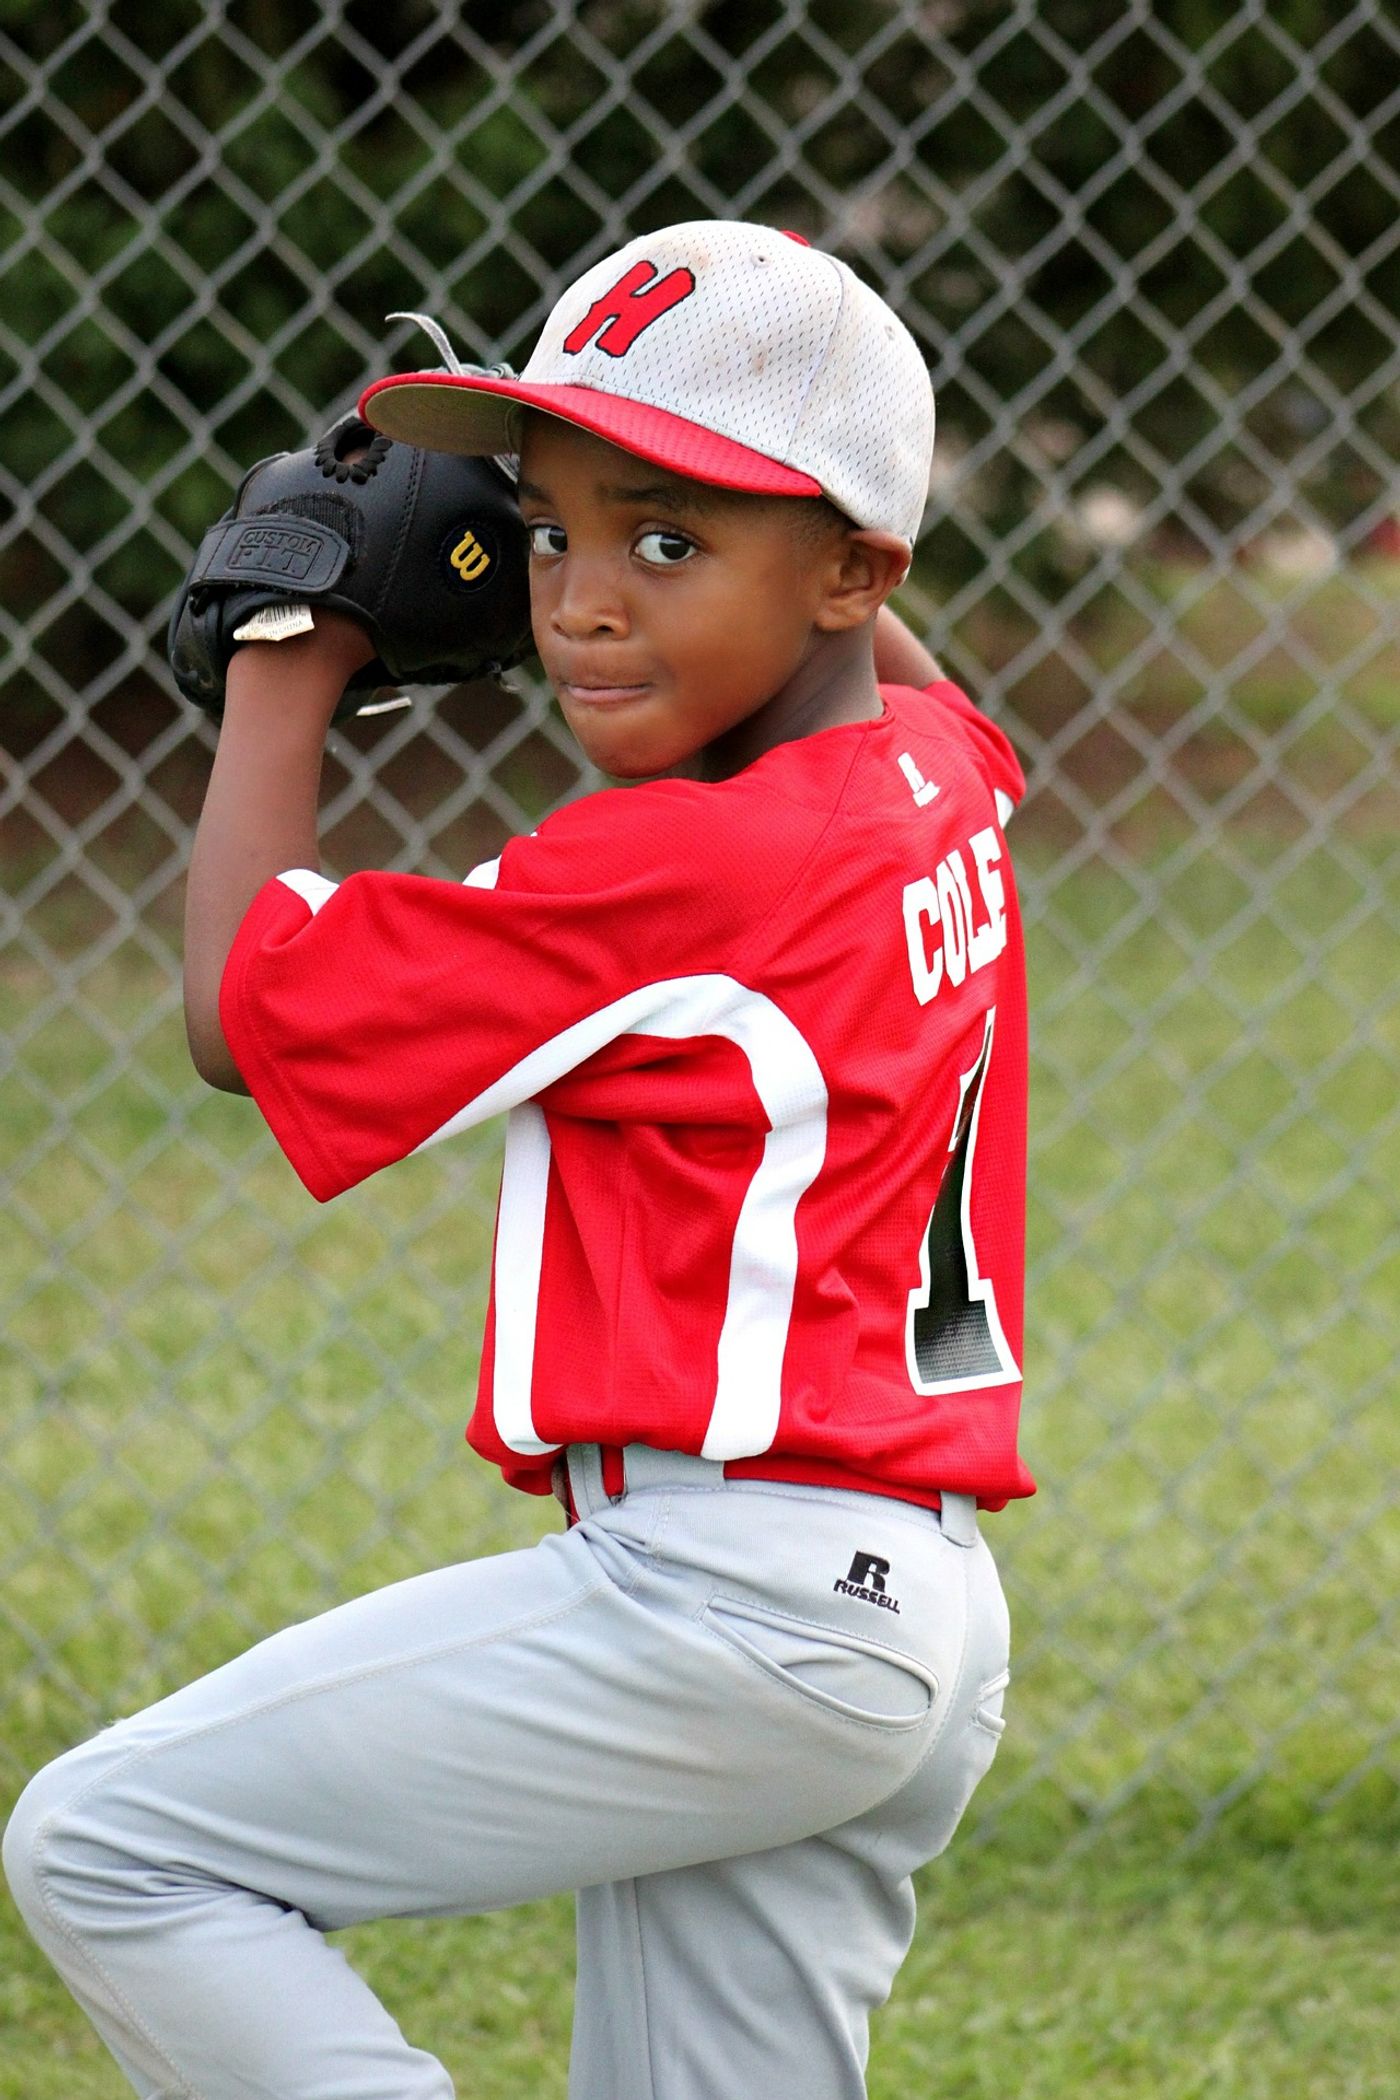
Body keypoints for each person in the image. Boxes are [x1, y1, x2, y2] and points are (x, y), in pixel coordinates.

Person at [4, 220, 1034, 2100]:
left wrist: (285, 651)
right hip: (907, 1615)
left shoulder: (676, 866)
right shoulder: (934, 777)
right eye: (553, 526)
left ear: (850, 569)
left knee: (113, 1843)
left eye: (668, 538)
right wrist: (671, 506)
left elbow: (246, 1015)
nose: (577, 601)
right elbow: (911, 668)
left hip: (730, 1607)